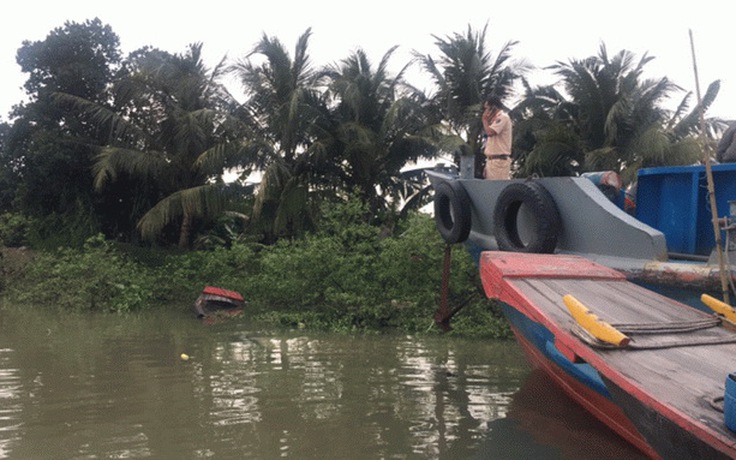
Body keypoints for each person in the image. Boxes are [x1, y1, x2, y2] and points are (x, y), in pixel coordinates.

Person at [481, 96, 512, 180]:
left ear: (493, 108)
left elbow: (490, 132)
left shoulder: (502, 117)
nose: (486, 112)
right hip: (492, 160)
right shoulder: (494, 121)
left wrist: (484, 120)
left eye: (487, 109)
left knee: (496, 189)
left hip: (499, 161)